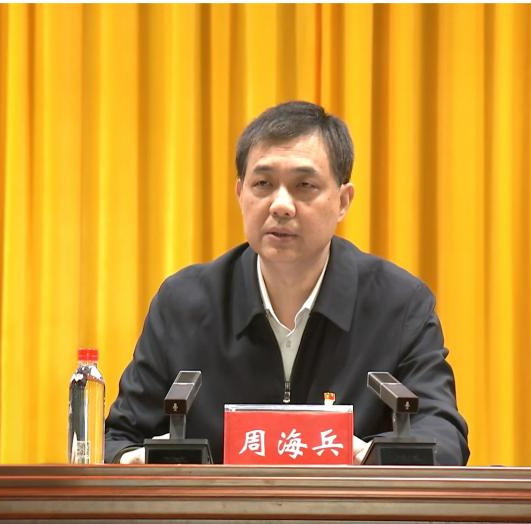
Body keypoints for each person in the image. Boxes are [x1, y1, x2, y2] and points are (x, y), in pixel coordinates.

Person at [104, 100, 469, 465]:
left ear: (343, 201)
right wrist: (132, 461)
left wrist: (371, 458)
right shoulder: (183, 304)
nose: (280, 205)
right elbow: (117, 438)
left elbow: (444, 437)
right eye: (262, 184)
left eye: (304, 185)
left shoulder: (399, 304)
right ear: (240, 194)